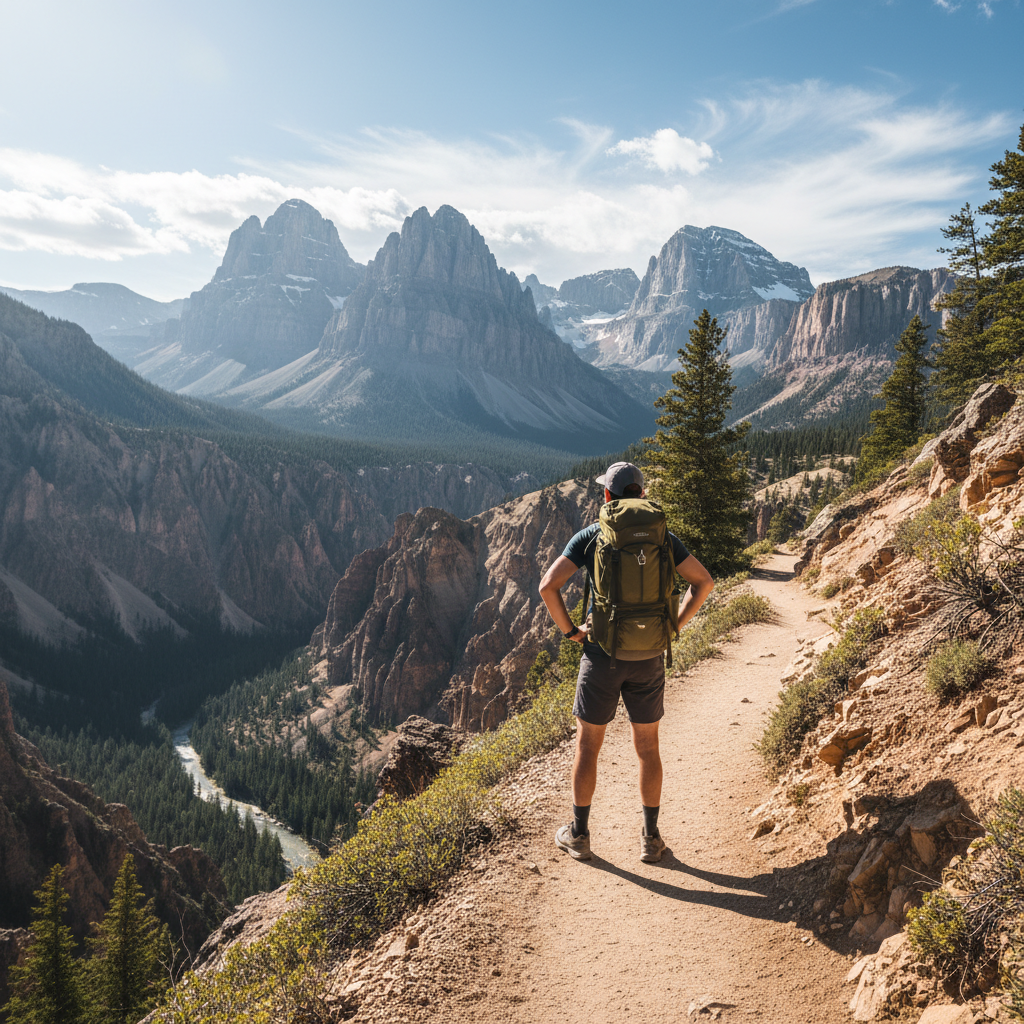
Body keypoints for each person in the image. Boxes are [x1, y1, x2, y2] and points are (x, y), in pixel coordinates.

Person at [538, 461, 714, 863]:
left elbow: (547, 586)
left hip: (602, 657)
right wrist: (673, 626)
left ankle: (579, 835)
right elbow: (704, 582)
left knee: (589, 746)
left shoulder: (592, 535)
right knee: (648, 749)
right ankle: (650, 840)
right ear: (642, 495)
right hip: (650, 656)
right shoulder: (663, 537)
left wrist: (572, 632)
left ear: (606, 496)